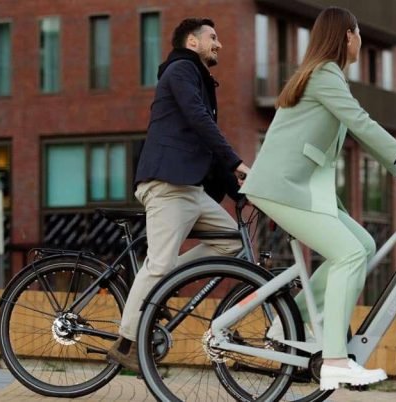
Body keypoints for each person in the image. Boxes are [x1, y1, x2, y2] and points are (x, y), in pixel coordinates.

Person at [240, 7, 396, 390]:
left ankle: (288, 325)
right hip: (281, 187)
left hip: (299, 187)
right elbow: (362, 124)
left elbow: (360, 131)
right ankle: (335, 360)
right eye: (358, 34)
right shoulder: (324, 75)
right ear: (348, 36)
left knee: (364, 245)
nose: (360, 41)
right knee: (349, 254)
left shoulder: (324, 75)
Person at [107, 17, 250, 372]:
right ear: (192, 42)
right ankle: (127, 342)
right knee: (158, 264)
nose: (219, 44)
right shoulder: (180, 71)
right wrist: (237, 163)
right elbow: (201, 121)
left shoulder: (198, 79)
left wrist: (242, 194)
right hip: (168, 184)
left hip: (190, 188)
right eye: (212, 37)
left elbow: (207, 142)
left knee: (231, 241)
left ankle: (167, 283)